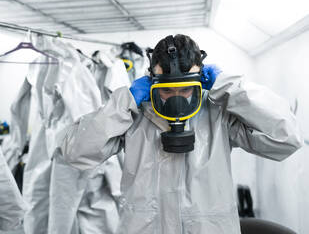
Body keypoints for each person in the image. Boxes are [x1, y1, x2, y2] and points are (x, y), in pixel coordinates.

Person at [54, 34, 302, 234]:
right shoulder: (132, 114)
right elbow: (74, 152)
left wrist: (231, 88)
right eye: (166, 90)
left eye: (185, 90)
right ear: (152, 81)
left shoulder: (218, 113)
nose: (176, 99)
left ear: (201, 81)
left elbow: (285, 138)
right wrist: (124, 102)